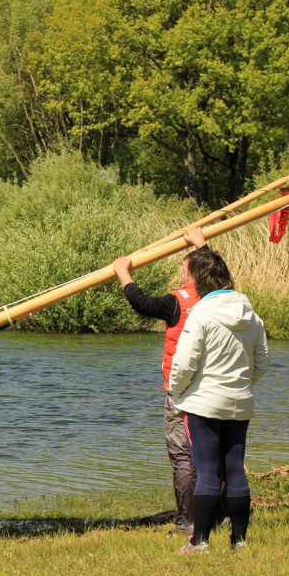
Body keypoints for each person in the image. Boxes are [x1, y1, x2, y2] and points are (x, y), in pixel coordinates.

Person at [112, 228, 211, 535]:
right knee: (210, 452)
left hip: (182, 390)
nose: (180, 275)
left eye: (184, 269)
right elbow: (219, 271)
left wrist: (122, 273)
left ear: (192, 271)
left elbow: (141, 303)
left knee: (183, 456)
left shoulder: (177, 302)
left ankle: (188, 523)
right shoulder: (220, 296)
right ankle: (218, 514)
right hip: (213, 388)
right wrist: (202, 244)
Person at [168, 249, 269, 553]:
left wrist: (177, 391)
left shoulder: (200, 314)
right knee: (235, 468)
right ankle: (239, 540)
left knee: (208, 469)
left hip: (203, 403)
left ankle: (199, 541)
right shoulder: (251, 314)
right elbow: (262, 361)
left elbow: (183, 364)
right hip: (240, 401)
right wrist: (241, 384)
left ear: (199, 281)